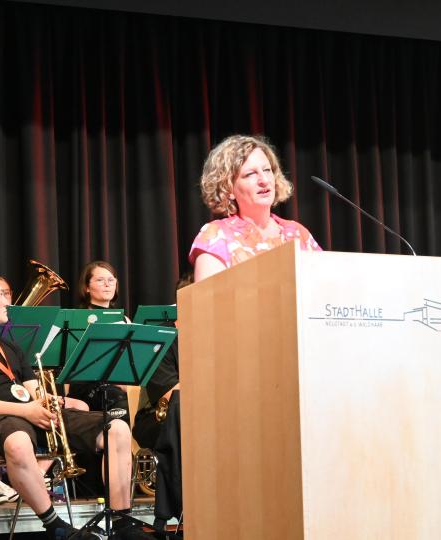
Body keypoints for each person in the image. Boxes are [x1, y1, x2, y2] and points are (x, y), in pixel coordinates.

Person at [0, 269, 153, 539]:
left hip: (29, 414)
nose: (7, 302)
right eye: (1, 295)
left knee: (116, 428)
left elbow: (33, 391)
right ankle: (55, 526)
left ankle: (122, 524)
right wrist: (26, 410)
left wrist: (62, 401)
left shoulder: (8, 347)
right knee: (18, 441)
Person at [190, 134, 321, 282]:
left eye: (267, 170)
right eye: (250, 174)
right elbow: (208, 301)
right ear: (228, 189)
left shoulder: (298, 233)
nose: (264, 180)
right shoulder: (216, 236)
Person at [132, 274, 191, 530]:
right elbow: (170, 394)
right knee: (180, 409)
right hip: (156, 418)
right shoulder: (164, 341)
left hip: (195, 416)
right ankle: (184, 508)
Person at [67, 261, 127, 417]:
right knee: (122, 404)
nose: (107, 284)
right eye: (100, 280)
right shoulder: (76, 320)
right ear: (87, 287)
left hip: (118, 384)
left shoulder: (125, 320)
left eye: (111, 280)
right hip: (87, 386)